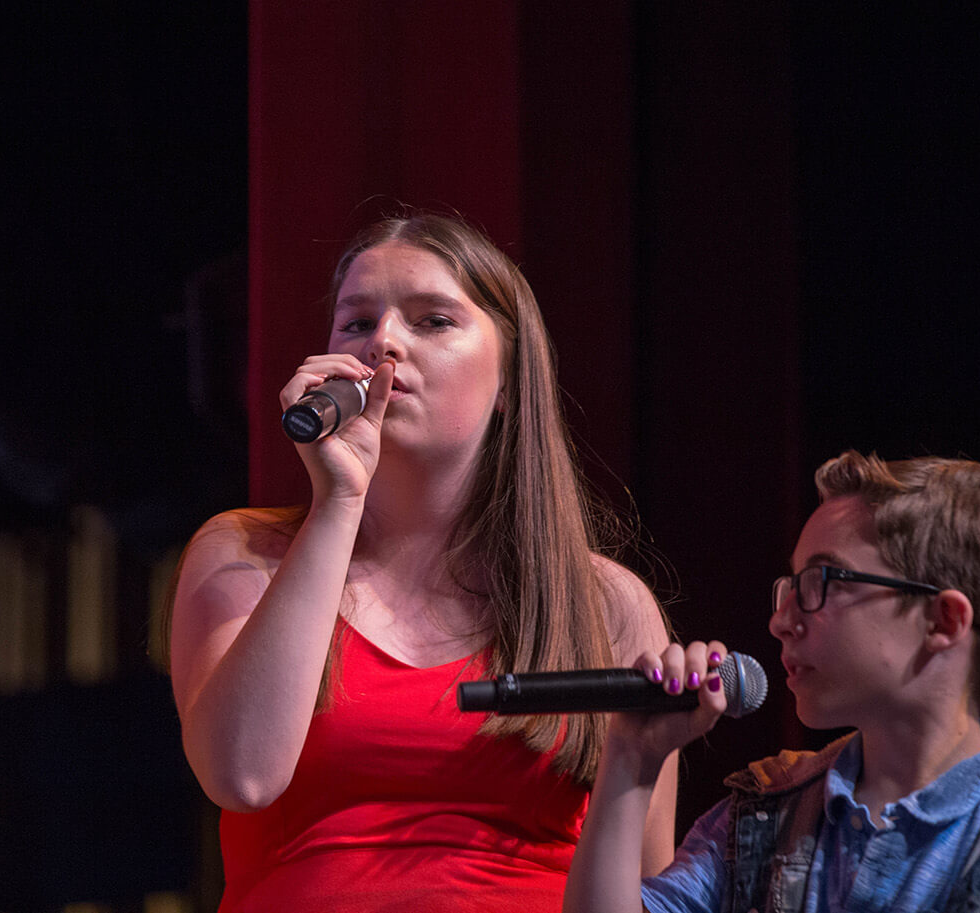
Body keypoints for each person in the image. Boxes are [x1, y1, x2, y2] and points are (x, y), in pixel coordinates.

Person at [165, 212, 677, 911]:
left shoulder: (604, 602)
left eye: (432, 320)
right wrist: (337, 503)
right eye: (355, 322)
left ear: (509, 378)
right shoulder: (245, 555)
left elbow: (649, 887)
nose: (383, 343)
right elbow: (241, 775)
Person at [564, 450, 980, 913]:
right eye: (789, 586)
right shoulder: (764, 815)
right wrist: (631, 759)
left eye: (820, 582)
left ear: (943, 621)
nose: (782, 620)